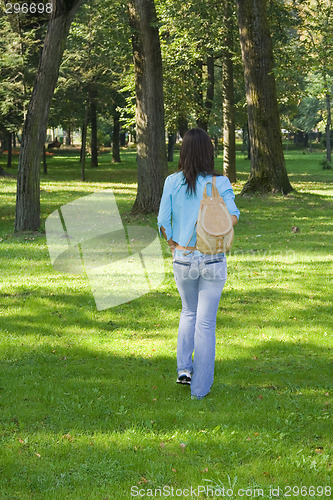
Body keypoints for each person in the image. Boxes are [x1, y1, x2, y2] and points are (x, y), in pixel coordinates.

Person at [157, 128, 240, 400]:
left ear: (184, 152)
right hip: (213, 257)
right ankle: (200, 390)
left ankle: (184, 369)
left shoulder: (172, 182)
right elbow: (234, 216)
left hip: (183, 257)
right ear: (209, 153)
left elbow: (163, 223)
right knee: (205, 323)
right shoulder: (221, 182)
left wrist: (173, 245)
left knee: (188, 312)